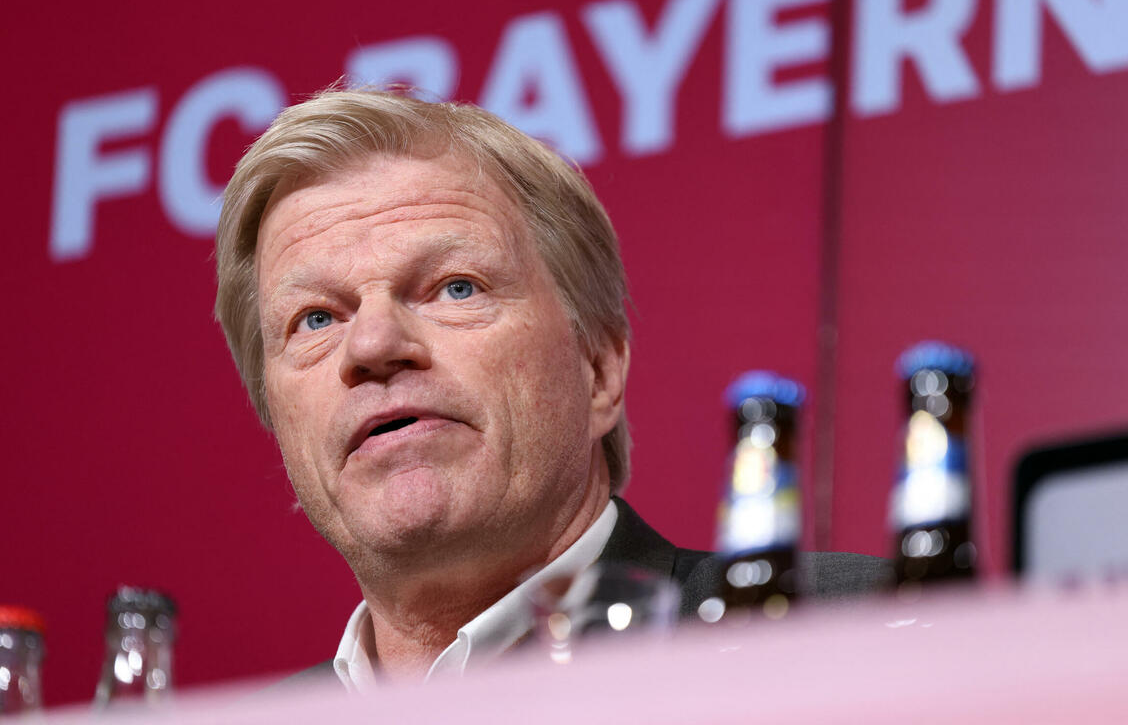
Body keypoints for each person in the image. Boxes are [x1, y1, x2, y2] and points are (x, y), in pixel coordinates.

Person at [214, 88, 890, 689]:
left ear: (599, 369)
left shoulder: (863, 633)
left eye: (456, 288)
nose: (372, 346)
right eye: (316, 319)